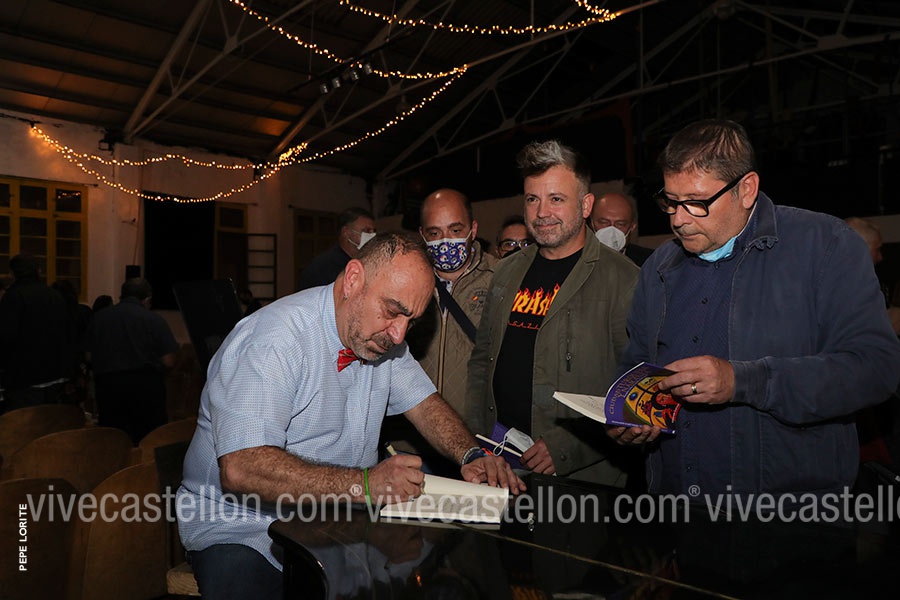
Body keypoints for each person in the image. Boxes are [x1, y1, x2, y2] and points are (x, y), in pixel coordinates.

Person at [178, 232, 524, 599]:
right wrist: (366, 485)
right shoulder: (273, 341)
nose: (399, 334)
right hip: (243, 528)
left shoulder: (381, 339)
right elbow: (241, 469)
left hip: (333, 521)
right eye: (392, 310)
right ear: (354, 279)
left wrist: (470, 454)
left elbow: (425, 404)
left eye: (411, 321)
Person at [611, 119, 900, 499]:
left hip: (787, 514)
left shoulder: (825, 246)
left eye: (697, 202)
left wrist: (743, 381)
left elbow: (875, 369)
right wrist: (631, 412)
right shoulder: (659, 268)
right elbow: (637, 363)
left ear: (746, 189)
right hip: (676, 505)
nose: (678, 219)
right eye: (671, 201)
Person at [466, 140, 639, 485]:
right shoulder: (506, 271)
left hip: (581, 480)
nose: (542, 212)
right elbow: (482, 361)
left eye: (556, 199)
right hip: (498, 462)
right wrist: (475, 439)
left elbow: (633, 390)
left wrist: (569, 445)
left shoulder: (623, 279)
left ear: (586, 205)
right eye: (533, 199)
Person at [391, 190, 497, 469]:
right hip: (409, 446)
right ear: (422, 235)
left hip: (475, 445)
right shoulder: (403, 280)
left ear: (473, 229)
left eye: (456, 230)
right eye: (435, 233)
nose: (446, 241)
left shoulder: (500, 279)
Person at [85, 278, 179, 444]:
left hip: (108, 388)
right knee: (148, 440)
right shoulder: (154, 320)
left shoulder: (99, 318)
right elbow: (169, 360)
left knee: (113, 439)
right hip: (146, 389)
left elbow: (88, 356)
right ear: (147, 299)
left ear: (121, 295)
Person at [0, 254, 71, 413]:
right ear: (38, 270)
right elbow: (66, 331)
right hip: (55, 372)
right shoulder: (54, 294)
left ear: (13, 273)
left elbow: (7, 336)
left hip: (25, 375)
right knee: (48, 421)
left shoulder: (14, 296)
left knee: (23, 423)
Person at [297, 207, 376, 290]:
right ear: (346, 232)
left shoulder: (368, 262)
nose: (372, 236)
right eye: (367, 231)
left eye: (373, 231)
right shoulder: (322, 267)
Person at [588, 191, 654, 266]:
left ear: (632, 227)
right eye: (604, 222)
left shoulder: (650, 262)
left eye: (620, 224)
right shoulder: (579, 259)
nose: (611, 230)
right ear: (591, 223)